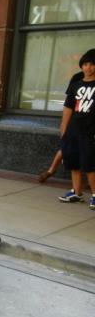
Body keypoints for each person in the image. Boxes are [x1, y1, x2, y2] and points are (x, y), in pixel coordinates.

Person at [58, 48, 95, 210]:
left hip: (90, 132)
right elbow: (68, 108)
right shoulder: (75, 85)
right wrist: (64, 129)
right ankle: (77, 192)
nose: (89, 68)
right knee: (74, 162)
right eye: (86, 64)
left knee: (90, 165)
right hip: (74, 130)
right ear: (81, 66)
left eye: (92, 64)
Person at [38, 68, 87, 183]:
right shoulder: (77, 77)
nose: (89, 67)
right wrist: (64, 124)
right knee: (66, 147)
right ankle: (51, 170)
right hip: (75, 118)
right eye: (86, 64)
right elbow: (69, 101)